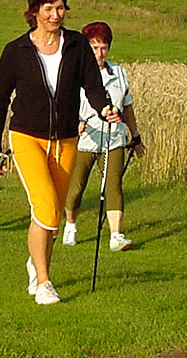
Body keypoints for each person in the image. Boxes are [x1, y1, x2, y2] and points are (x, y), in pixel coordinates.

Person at [0, 0, 121, 305]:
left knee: (55, 216)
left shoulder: (76, 46)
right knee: (45, 207)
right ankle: (44, 283)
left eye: (60, 7)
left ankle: (37, 263)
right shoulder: (15, 51)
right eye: (48, 8)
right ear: (34, 11)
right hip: (26, 137)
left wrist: (105, 107)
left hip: (66, 139)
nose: (55, 14)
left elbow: (92, 86)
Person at [62, 21, 146, 251]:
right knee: (77, 186)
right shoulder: (74, 73)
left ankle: (116, 235)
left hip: (114, 138)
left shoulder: (118, 73)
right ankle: (70, 225)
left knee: (113, 186)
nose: (99, 53)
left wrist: (135, 134)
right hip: (86, 139)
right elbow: (65, 104)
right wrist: (74, 124)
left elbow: (127, 106)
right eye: (94, 47)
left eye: (103, 48)